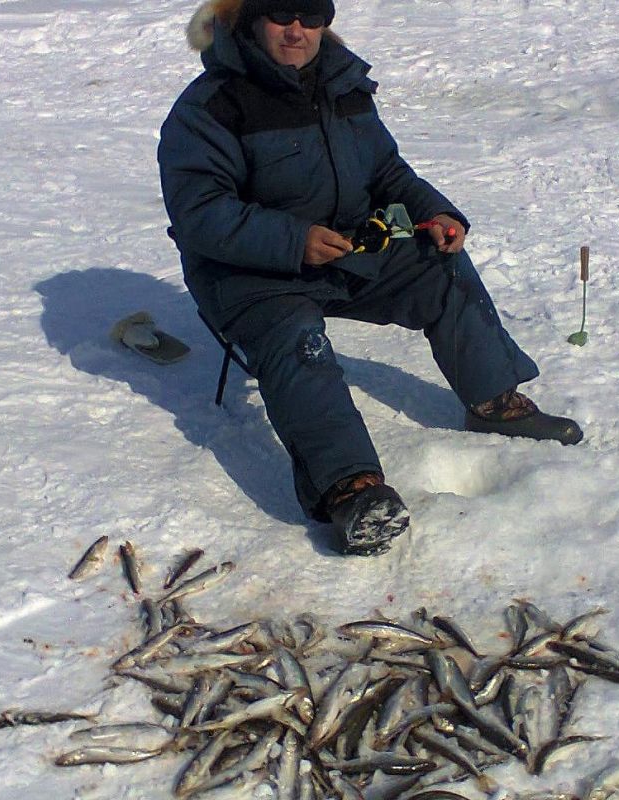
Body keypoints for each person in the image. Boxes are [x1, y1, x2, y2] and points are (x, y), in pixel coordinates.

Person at [159, 0, 582, 556]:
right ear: (251, 20)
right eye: (282, 14)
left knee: (439, 265)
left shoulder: (341, 84)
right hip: (251, 274)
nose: (297, 29)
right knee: (299, 345)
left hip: (342, 251)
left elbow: (385, 171)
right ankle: (350, 488)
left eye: (311, 15)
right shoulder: (211, 107)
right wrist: (294, 240)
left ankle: (492, 401)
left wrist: (438, 213)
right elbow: (200, 213)